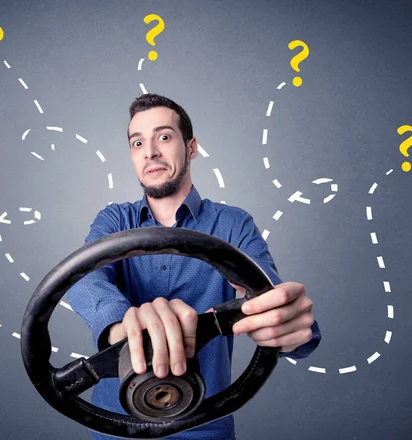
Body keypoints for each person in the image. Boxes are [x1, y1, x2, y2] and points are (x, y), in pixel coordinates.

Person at [65, 93, 321, 439]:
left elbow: (270, 298)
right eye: (137, 142)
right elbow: (86, 278)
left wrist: (283, 320)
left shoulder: (234, 225)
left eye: (164, 137)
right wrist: (122, 327)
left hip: (205, 428)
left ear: (192, 147)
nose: (150, 152)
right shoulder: (113, 219)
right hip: (115, 429)